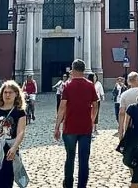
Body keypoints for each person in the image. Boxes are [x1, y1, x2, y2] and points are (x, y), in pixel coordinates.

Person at [53, 59, 98, 188]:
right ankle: (82, 185)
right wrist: (92, 119)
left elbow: (62, 108)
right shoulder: (90, 85)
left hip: (69, 128)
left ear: (72, 69)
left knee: (70, 157)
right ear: (83, 70)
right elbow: (95, 105)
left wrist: (57, 127)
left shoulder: (67, 85)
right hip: (85, 128)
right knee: (84, 160)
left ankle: (68, 184)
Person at [117, 72, 138, 141]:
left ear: (128, 82)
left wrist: (121, 129)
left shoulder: (124, 94)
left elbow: (122, 113)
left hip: (129, 124)